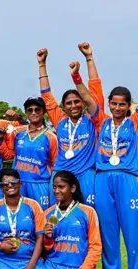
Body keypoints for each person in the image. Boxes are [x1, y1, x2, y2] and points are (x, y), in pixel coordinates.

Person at [70, 60, 138, 269]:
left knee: (132, 232)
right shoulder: (101, 120)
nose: (117, 108)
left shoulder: (134, 122)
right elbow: (86, 97)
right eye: (114, 104)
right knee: (107, 233)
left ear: (129, 106)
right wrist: (76, 76)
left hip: (127, 179)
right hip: (102, 179)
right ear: (109, 103)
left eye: (122, 104)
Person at [37, 47, 98, 207]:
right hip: (61, 172)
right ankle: (57, 232)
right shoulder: (60, 121)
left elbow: (95, 89)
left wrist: (89, 57)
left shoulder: (93, 119)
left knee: (89, 211)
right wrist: (42, 64)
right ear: (63, 106)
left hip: (85, 173)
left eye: (77, 101)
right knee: (56, 213)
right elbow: (47, 96)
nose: (73, 106)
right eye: (69, 103)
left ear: (83, 103)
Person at [0, 97, 58, 210]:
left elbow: (56, 165)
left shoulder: (51, 137)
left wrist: (53, 188)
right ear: (26, 112)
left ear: (44, 112)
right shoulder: (17, 132)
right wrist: (0, 140)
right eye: (30, 110)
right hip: (17, 184)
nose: (33, 112)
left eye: (37, 109)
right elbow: (8, 155)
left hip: (40, 185)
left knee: (41, 218)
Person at [0, 168, 44, 269]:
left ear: (20, 184)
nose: (9, 185)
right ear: (1, 188)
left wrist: (31, 265)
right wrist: (0, 246)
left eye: (13, 182)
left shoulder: (34, 205)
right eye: (5, 183)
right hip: (1, 262)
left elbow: (41, 237)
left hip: (28, 260)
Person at [43, 170, 102, 269]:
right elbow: (45, 249)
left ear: (73, 188)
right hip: (51, 265)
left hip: (78, 266)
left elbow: (95, 247)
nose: (56, 191)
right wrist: (47, 238)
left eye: (61, 187)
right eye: (54, 187)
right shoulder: (47, 214)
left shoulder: (88, 212)